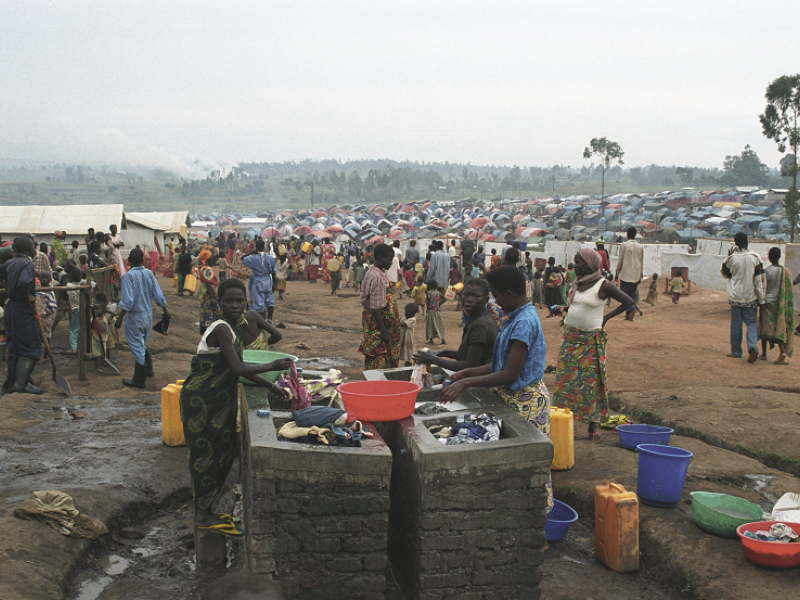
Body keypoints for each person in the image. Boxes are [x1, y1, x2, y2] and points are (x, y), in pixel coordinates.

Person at [439, 266, 552, 538]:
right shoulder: (514, 315)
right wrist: (467, 372)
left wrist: (466, 382)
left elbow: (510, 373)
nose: (495, 302)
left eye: (497, 296)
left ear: (510, 294)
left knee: (530, 468)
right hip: (512, 397)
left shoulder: (523, 322)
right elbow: (499, 363)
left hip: (526, 401)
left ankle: (538, 533)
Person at [180, 278, 291, 536]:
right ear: (219, 303)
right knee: (205, 455)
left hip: (218, 398)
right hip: (203, 400)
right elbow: (238, 368)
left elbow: (240, 364)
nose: (235, 305)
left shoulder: (235, 326)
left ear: (246, 301)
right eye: (229, 301)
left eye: (239, 300)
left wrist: (271, 386)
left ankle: (207, 509)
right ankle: (201, 515)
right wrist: (273, 368)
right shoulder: (221, 328)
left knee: (222, 453)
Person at [554, 249, 632, 441]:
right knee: (566, 380)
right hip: (571, 338)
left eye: (578, 262)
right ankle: (563, 422)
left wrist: (606, 318)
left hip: (590, 340)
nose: (575, 266)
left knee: (591, 382)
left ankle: (592, 426)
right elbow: (576, 307)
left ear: (589, 265)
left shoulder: (603, 285)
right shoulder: (578, 284)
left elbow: (628, 301)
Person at [414, 278, 496, 372]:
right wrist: (443, 352)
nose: (469, 299)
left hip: (480, 380)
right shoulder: (474, 318)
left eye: (476, 296)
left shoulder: (480, 325)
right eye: (466, 295)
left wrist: (434, 360)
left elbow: (469, 366)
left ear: (486, 300)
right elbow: (467, 355)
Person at [115, 248, 170, 388]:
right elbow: (157, 294)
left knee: (136, 345)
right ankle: (149, 370)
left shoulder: (128, 276)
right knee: (141, 343)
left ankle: (139, 379)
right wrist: (165, 310)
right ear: (143, 261)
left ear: (129, 260)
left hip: (135, 316)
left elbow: (127, 301)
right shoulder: (149, 274)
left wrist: (120, 318)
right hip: (147, 315)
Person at [0, 237, 44, 394]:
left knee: (14, 346)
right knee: (32, 346)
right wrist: (28, 297)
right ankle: (22, 383)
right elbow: (23, 283)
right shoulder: (27, 264)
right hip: (22, 308)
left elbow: (3, 274)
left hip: (10, 306)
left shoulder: (9, 263)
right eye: (33, 246)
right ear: (28, 248)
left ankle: (11, 383)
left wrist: (8, 287)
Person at [721, 232, 765, 362]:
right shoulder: (755, 258)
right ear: (747, 242)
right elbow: (758, 280)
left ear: (735, 243)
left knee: (736, 323)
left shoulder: (732, 258)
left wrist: (729, 257)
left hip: (736, 297)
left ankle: (736, 351)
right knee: (751, 322)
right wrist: (761, 299)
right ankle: (752, 347)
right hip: (751, 297)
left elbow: (725, 273)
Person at [358, 243, 402, 369]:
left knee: (377, 357)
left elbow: (364, 299)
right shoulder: (377, 277)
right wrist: (383, 331)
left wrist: (369, 308)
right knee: (381, 358)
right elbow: (377, 308)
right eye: (388, 259)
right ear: (379, 258)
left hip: (374, 324)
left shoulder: (371, 272)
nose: (390, 263)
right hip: (381, 326)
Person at [758, 247, 794, 365]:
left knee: (765, 326)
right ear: (779, 257)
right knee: (779, 327)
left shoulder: (766, 271)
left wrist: (761, 302)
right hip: (780, 303)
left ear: (769, 257)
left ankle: (763, 354)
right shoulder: (785, 271)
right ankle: (782, 352)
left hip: (767, 302)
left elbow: (763, 287)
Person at [615, 227, 644, 321]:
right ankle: (628, 315)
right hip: (635, 275)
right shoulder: (640, 246)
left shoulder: (624, 245)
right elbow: (641, 261)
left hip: (625, 274)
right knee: (631, 296)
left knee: (622, 296)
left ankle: (631, 309)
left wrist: (617, 272)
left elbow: (620, 260)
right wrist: (640, 274)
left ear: (627, 234)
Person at [244, 239, 276, 322]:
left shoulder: (252, 258)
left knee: (259, 303)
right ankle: (269, 319)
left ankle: (262, 321)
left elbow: (242, 258)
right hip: (268, 280)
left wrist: (251, 252)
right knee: (270, 301)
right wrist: (274, 284)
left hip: (258, 281)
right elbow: (274, 272)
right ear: (264, 247)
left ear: (256, 248)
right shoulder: (270, 258)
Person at [197, 251, 220, 335]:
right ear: (208, 258)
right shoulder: (207, 269)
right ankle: (208, 329)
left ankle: (204, 328)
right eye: (210, 256)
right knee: (210, 311)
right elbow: (208, 283)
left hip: (205, 294)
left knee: (205, 310)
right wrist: (211, 298)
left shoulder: (202, 268)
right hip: (208, 294)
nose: (211, 257)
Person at [91, 292, 113, 371]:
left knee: (102, 352)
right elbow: (93, 327)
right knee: (97, 354)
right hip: (96, 338)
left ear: (103, 310)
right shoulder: (94, 319)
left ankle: (101, 365)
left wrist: (110, 312)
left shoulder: (104, 317)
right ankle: (97, 367)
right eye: (94, 309)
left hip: (103, 338)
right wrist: (94, 322)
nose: (95, 311)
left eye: (97, 309)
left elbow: (112, 316)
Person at [66, 267, 83, 354]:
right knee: (83, 328)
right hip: (83, 308)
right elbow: (95, 284)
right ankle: (83, 346)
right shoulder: (83, 284)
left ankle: (73, 347)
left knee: (73, 329)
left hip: (74, 308)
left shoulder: (69, 285)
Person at [425, 279, 446, 345]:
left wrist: (427, 309)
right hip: (437, 311)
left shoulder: (429, 293)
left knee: (430, 325)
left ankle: (431, 340)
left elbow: (428, 303)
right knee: (438, 324)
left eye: (427, 285)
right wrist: (438, 304)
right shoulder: (437, 292)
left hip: (431, 311)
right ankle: (443, 339)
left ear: (430, 286)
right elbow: (445, 299)